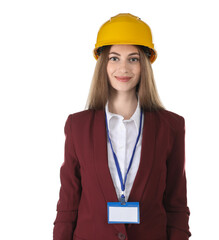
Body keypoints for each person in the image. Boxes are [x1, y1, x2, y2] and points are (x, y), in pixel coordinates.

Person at [53, 13, 191, 240]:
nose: (123, 68)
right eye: (114, 58)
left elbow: (176, 205)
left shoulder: (171, 126)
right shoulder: (77, 126)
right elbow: (68, 203)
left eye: (133, 59)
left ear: (145, 64)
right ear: (103, 64)